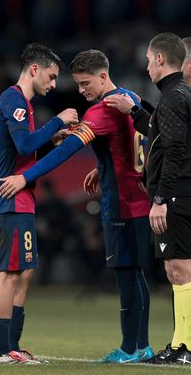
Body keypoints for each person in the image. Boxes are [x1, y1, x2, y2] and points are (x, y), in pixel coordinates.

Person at [0, 49, 155, 364]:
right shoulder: (129, 97)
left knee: (126, 276)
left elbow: (64, 152)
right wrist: (105, 166)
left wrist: (24, 176)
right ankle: (140, 345)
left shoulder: (102, 111)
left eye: (85, 84)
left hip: (122, 205)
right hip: (139, 198)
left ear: (101, 76)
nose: (81, 91)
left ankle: (131, 348)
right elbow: (135, 141)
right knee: (136, 275)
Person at [0, 42, 79, 364]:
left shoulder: (22, 104)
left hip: (22, 197)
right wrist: (55, 122)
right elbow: (24, 142)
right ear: (35, 70)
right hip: (8, 197)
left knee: (23, 272)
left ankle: (12, 346)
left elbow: (23, 149)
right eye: (52, 77)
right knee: (9, 273)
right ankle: (1, 352)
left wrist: (50, 138)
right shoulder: (14, 99)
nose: (54, 85)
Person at [104, 32, 191, 366]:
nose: (146, 66)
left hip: (176, 198)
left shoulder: (172, 97)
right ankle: (181, 345)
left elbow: (173, 150)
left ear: (158, 59)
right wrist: (137, 111)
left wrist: (160, 198)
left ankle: (183, 348)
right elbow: (163, 134)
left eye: (147, 59)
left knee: (178, 270)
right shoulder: (178, 95)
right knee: (182, 271)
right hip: (182, 195)